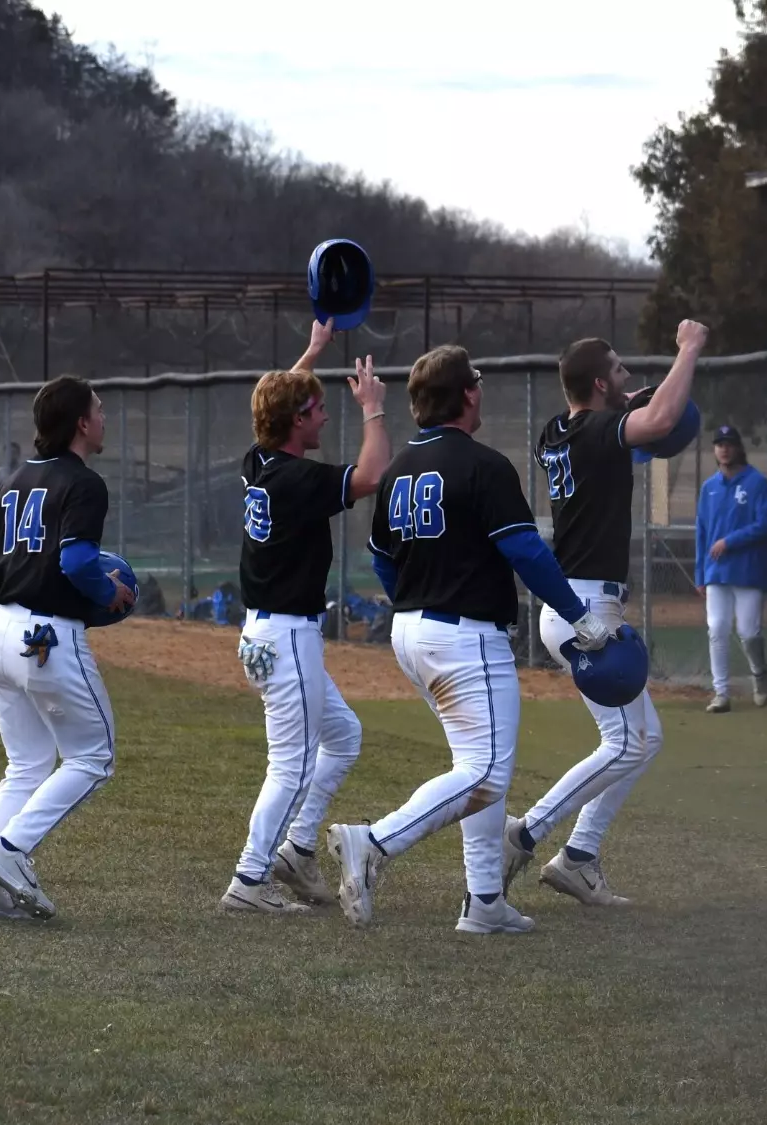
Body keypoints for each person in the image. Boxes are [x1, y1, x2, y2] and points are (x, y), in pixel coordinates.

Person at [334, 344, 613, 932]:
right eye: (476, 384)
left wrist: (417, 590)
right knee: (484, 774)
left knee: (479, 767)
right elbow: (525, 550)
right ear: (465, 394)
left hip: (413, 629)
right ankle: (374, 843)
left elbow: (383, 560)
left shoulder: (400, 468)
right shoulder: (484, 464)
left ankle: (484, 902)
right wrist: (574, 611)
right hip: (463, 636)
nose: (481, 391)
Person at [503, 324, 707, 906]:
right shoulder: (595, 430)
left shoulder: (556, 430)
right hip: (586, 606)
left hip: (573, 602)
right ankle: (529, 833)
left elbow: (621, 422)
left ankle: (580, 856)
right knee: (625, 743)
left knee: (641, 739)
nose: (628, 379)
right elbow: (661, 424)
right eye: (618, 372)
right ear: (597, 382)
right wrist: (688, 350)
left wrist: (630, 402)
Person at [220, 319, 390, 916]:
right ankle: (249, 878)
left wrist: (314, 351)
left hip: (267, 631)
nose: (323, 417)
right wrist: (372, 410)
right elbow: (371, 475)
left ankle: (294, 850)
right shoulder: (294, 477)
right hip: (287, 636)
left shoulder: (259, 461)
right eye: (316, 410)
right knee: (288, 769)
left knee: (342, 738)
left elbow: (280, 398)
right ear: (295, 422)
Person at [0, 376, 136, 921]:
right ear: (81, 423)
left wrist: (21, 591)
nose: (104, 418)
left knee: (26, 765)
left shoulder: (12, 480)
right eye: (99, 410)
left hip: (0, 633)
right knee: (93, 757)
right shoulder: (84, 483)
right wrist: (109, 597)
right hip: (47, 638)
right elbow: (79, 562)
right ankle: (8, 854)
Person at [694, 424, 767, 712]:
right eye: (719, 444)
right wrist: (699, 574)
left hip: (749, 570)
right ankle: (721, 692)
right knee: (716, 628)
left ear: (739, 448)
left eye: (729, 443)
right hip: (716, 571)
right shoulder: (709, 487)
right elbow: (702, 532)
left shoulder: (756, 483)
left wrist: (730, 541)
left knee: (748, 631)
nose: (724, 448)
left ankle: (759, 674)